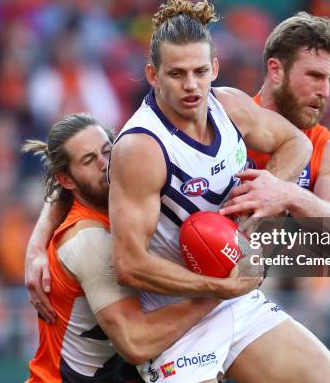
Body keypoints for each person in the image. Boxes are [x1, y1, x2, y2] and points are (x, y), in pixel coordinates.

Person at [108, 0, 330, 382]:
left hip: (237, 302)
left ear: (215, 68)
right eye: (177, 74)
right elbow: (129, 263)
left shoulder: (229, 106)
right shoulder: (141, 148)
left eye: (201, 72)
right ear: (152, 75)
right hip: (175, 320)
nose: (192, 85)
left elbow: (297, 144)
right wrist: (218, 284)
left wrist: (268, 191)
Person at [23, 114, 221, 382]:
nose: (104, 164)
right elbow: (136, 344)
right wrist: (219, 292)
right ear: (67, 180)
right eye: (89, 160)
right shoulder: (88, 238)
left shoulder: (127, 200)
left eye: (107, 151)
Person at [220, 12, 330, 223]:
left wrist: (290, 195)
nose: (326, 91)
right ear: (276, 70)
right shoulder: (226, 121)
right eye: (315, 76)